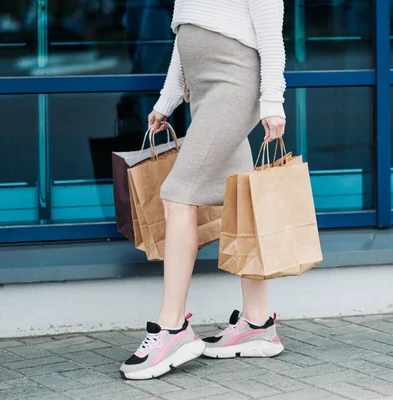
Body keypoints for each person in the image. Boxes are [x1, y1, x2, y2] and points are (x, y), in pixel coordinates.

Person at [120, 0, 287, 380]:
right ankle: (258, 324)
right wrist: (167, 101)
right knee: (242, 199)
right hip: (206, 92)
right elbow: (186, 36)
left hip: (234, 87)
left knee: (177, 193)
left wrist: (272, 102)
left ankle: (172, 329)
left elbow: (271, 38)